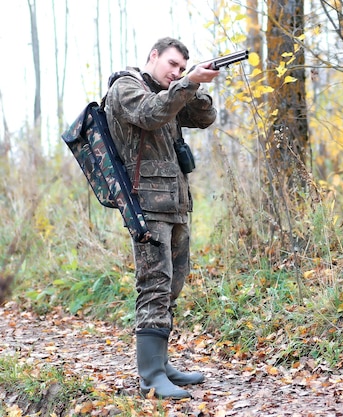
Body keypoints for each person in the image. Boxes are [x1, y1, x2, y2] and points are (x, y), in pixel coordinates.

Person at [105, 37, 220, 399]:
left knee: (171, 287)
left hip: (175, 203)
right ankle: (151, 375)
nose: (176, 72)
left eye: (182, 68)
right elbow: (150, 114)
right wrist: (188, 83)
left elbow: (204, 118)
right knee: (154, 285)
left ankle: (162, 363)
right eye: (172, 64)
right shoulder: (126, 87)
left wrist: (195, 85)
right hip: (146, 205)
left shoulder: (171, 91)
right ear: (153, 56)